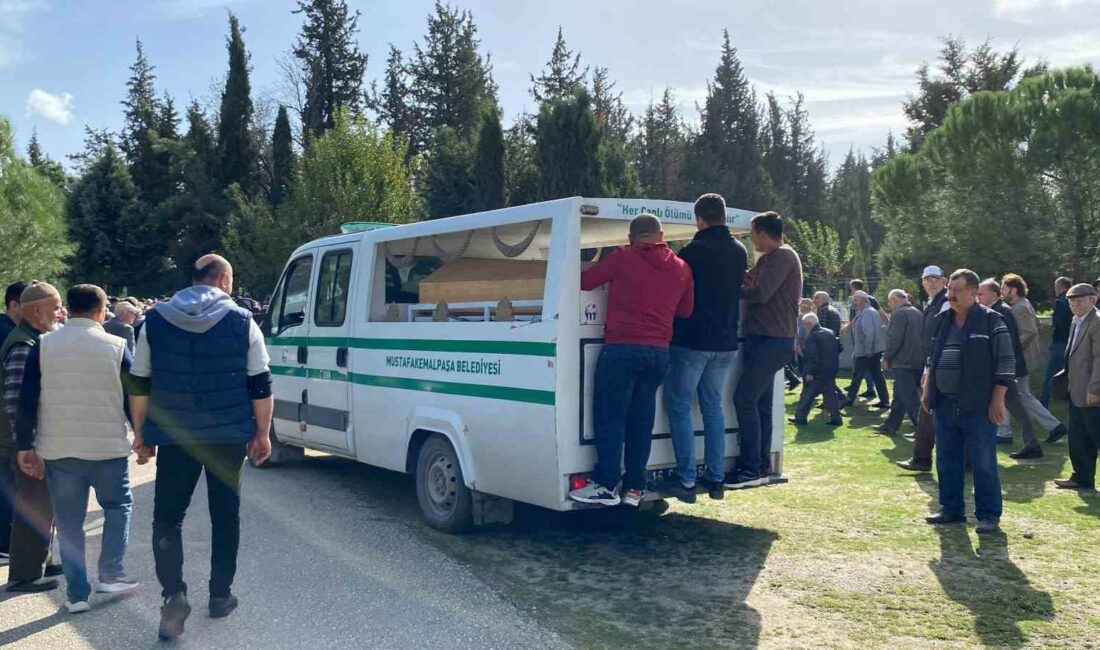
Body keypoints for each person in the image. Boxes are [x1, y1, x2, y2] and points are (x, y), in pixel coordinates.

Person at [129, 254, 275, 640]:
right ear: (224, 280)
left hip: (177, 437)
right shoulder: (244, 322)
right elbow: (260, 383)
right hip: (227, 437)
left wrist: (141, 432)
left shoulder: (154, 320)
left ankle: (173, 594)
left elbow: (139, 381)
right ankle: (220, 595)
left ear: (193, 280)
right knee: (225, 516)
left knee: (168, 518)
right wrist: (263, 432)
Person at [14, 285, 139, 613]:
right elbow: (133, 398)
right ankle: (111, 573)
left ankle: (77, 594)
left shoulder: (42, 346)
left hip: (59, 449)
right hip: (108, 449)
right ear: (101, 312)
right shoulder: (117, 346)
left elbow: (26, 401)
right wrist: (142, 436)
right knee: (117, 506)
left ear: (68, 308)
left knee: (69, 523)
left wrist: (25, 445)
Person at [569, 215, 693, 510]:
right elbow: (686, 310)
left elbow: (584, 282)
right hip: (659, 352)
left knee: (611, 415)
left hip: (623, 347)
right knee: (641, 419)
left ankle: (607, 483)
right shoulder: (681, 267)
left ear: (630, 237)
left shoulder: (624, 257)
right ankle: (635, 485)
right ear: (661, 234)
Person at [659, 194, 745, 503]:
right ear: (724, 216)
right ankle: (715, 477)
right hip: (726, 342)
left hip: (692, 340)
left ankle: (686, 478)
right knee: (713, 408)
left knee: (679, 405)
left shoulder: (691, 253)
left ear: (699, 220)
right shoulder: (740, 251)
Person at [924, 269, 1015, 534]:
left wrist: (997, 400)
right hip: (944, 404)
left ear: (975, 293)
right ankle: (951, 509)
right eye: (950, 289)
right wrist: (928, 389)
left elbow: (1006, 363)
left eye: (958, 290)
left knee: (983, 461)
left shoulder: (991, 321)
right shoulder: (943, 320)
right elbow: (933, 357)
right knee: (946, 459)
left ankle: (988, 515)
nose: (951, 294)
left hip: (978, 405)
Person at [728, 211, 802, 489]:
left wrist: (730, 288)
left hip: (772, 340)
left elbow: (761, 292)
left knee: (744, 399)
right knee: (760, 404)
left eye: (752, 234)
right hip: (765, 339)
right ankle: (760, 465)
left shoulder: (783, 256)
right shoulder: (770, 259)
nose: (751, 240)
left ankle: (750, 467)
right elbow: (751, 280)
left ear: (762, 233)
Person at [2, 282, 63, 593]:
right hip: (22, 441)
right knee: (34, 503)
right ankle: (25, 575)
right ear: (36, 310)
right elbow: (15, 400)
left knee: (41, 503)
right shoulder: (24, 346)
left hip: (23, 439)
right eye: (55, 307)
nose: (60, 313)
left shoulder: (31, 339)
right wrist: (28, 446)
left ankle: (41, 559)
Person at [977, 279, 1043, 460]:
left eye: (981, 294)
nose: (978, 297)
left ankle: (1031, 444)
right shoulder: (998, 310)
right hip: (1002, 369)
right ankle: (1031, 444)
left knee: (1016, 407)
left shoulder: (1000, 312)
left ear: (994, 294)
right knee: (1015, 407)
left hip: (1003, 371)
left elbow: (1008, 344)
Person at [1002, 273, 1068, 445]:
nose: (1001, 291)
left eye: (1004, 288)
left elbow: (1030, 331)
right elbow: (1037, 326)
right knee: (1019, 394)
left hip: (1021, 358)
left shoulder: (1020, 307)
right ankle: (1052, 426)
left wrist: (1013, 351)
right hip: (1024, 357)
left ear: (1013, 290)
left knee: (1019, 394)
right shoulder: (1023, 304)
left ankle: (1053, 426)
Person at [897, 265, 950, 472]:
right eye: (927, 279)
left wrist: (929, 369)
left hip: (943, 366)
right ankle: (922, 459)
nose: (931, 282)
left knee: (932, 411)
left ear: (944, 281)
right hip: (934, 364)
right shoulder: (933, 303)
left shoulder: (945, 302)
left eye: (935, 279)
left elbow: (941, 338)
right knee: (927, 412)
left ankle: (923, 459)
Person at [1054, 283, 1100, 491]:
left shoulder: (1097, 321)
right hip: (1077, 389)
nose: (1075, 304)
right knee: (1078, 437)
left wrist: (1095, 388)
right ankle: (1082, 478)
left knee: (1094, 435)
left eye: (1080, 299)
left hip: (1092, 391)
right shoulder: (1077, 321)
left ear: (1093, 299)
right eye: (1072, 300)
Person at [0, 281, 25, 563]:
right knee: (8, 485)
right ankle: (5, 543)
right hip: (6, 425)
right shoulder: (9, 335)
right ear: (13, 305)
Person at [875, 290, 924, 436]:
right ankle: (891, 425)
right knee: (900, 395)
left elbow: (894, 339)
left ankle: (923, 430)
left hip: (903, 362)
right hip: (918, 361)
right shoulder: (918, 313)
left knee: (909, 398)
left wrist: (886, 357)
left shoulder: (899, 314)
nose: (890, 306)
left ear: (895, 300)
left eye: (890, 302)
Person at [788, 313, 842, 426]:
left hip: (817, 372)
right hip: (830, 370)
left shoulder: (813, 336)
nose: (804, 327)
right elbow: (839, 348)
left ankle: (800, 418)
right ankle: (836, 418)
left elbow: (813, 357)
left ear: (809, 324)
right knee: (830, 396)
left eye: (804, 325)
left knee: (807, 395)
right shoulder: (830, 332)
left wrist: (810, 372)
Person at [842, 291, 889, 409]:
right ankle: (885, 400)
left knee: (857, 376)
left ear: (863, 300)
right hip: (873, 350)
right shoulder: (868, 311)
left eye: (856, 300)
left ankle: (849, 400)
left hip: (866, 351)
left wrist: (868, 350)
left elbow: (869, 333)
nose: (854, 303)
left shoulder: (866, 313)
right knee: (877, 376)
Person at [1042, 277, 1073, 407]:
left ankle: (1044, 401)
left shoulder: (1061, 302)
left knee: (1050, 374)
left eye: (1056, 286)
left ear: (1060, 286)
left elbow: (1058, 324)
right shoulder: (1072, 300)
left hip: (1060, 342)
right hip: (1071, 342)